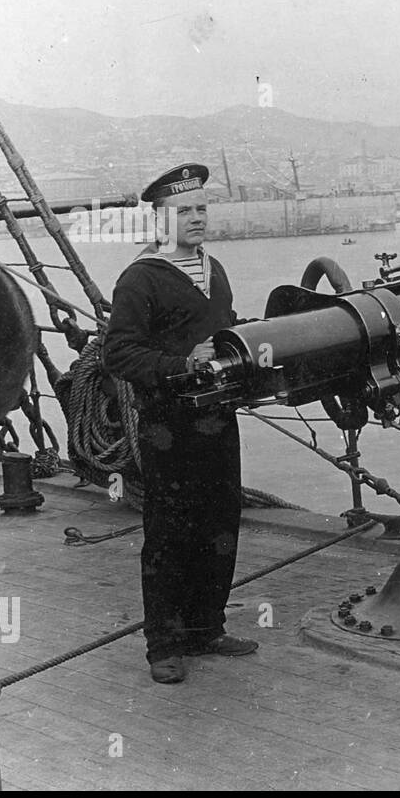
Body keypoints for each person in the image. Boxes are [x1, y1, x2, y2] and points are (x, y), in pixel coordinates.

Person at [103, 163, 258, 684]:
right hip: (168, 426)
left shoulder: (215, 270)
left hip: (218, 418)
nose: (196, 218)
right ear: (160, 219)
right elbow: (120, 353)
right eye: (184, 210)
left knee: (219, 525)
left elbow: (224, 328)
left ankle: (205, 628)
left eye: (201, 209)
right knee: (170, 533)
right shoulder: (141, 277)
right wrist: (181, 364)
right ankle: (164, 645)